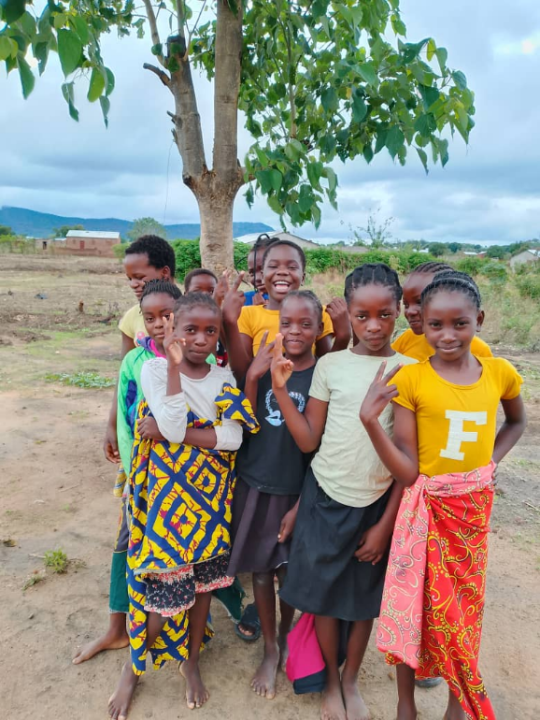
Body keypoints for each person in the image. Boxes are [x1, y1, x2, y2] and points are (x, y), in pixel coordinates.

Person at [360, 271, 526, 720]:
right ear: (420, 324)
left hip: (471, 511)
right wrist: (371, 422)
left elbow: (516, 422)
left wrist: (489, 463)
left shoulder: (500, 372)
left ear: (480, 320)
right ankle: (405, 704)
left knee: (463, 610)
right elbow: (409, 470)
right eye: (436, 325)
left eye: (460, 324)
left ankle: (457, 703)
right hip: (425, 509)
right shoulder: (411, 379)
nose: (447, 335)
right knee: (412, 606)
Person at [271, 264, 417, 720]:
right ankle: (331, 682)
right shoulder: (331, 365)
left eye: (385, 314)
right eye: (362, 316)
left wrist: (385, 525)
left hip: (374, 507)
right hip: (324, 497)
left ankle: (352, 678)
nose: (374, 326)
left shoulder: (411, 372)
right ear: (348, 315)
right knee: (324, 598)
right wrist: (279, 393)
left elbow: (409, 466)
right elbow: (309, 440)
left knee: (361, 599)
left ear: (399, 314)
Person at [108, 293, 259, 720]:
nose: (200, 339)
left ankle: (190, 660)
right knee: (164, 593)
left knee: (204, 587)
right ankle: (134, 667)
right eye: (189, 329)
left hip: (209, 502)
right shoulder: (157, 369)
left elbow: (232, 438)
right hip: (166, 506)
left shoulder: (223, 379)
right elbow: (173, 423)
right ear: (172, 329)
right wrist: (175, 371)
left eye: (211, 331)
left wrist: (176, 435)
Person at [73, 279, 181, 665]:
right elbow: (125, 408)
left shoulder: (195, 359)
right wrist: (121, 449)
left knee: (179, 555)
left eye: (166, 316)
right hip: (140, 477)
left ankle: (181, 631)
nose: (157, 324)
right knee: (126, 547)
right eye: (150, 317)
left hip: (179, 483)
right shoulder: (133, 360)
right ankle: (118, 629)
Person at [228, 290, 322, 699]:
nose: (295, 331)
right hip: (255, 485)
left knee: (290, 574)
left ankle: (284, 634)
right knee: (262, 574)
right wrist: (251, 376)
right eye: (287, 324)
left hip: (296, 492)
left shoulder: (323, 377)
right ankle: (270, 648)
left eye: (306, 324)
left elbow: (320, 449)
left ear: (321, 329)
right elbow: (245, 427)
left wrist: (302, 505)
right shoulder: (264, 366)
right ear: (277, 325)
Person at [223, 239, 351, 379]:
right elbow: (241, 374)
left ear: (302, 278)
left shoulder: (318, 313)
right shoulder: (248, 314)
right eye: (273, 266)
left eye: (291, 267)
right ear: (263, 274)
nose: (282, 272)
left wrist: (343, 338)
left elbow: (326, 371)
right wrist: (229, 321)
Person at [103, 234, 177, 464]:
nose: (133, 284)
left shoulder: (191, 310)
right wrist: (112, 424)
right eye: (129, 278)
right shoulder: (131, 318)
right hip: (142, 424)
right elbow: (125, 378)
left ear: (164, 272)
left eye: (139, 277)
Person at [393, 261, 492, 361]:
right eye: (406, 304)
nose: (410, 311)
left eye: (419, 302)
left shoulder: (479, 351)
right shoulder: (407, 339)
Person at [243, 233, 275, 306]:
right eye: (252, 273)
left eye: (263, 270)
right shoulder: (244, 300)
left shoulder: (300, 303)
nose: (257, 278)